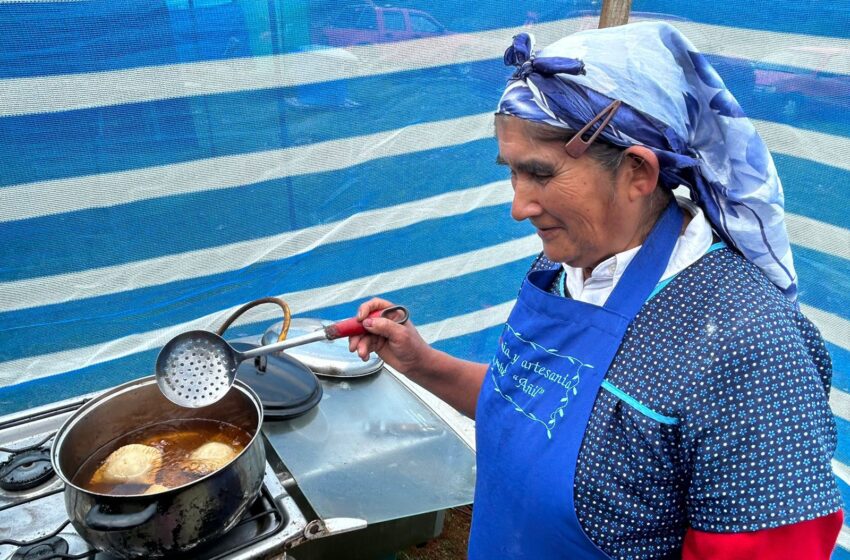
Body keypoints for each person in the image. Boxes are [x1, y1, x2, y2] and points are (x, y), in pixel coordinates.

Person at [348, 22, 843, 559]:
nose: (518, 207)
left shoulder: (750, 349)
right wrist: (424, 364)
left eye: (540, 174)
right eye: (512, 173)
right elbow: (538, 408)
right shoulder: (569, 263)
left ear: (637, 171)